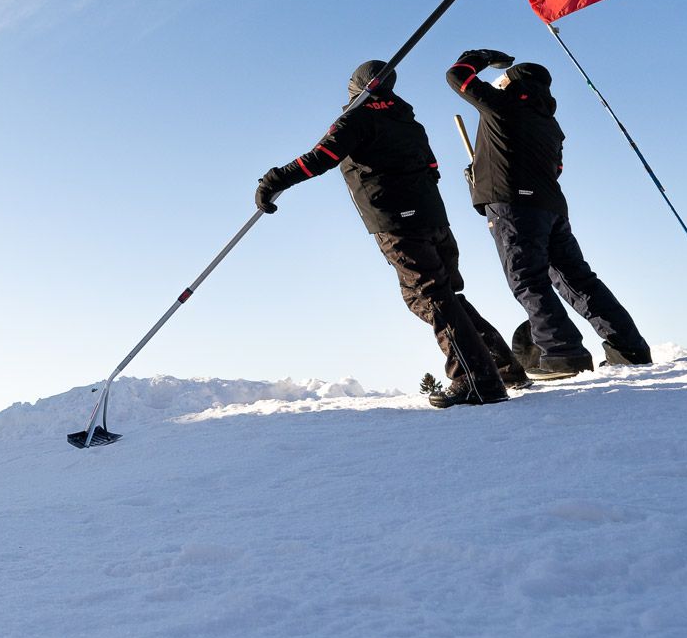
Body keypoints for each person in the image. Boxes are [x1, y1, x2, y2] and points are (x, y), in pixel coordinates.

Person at [256, 60, 524, 408]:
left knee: (430, 297)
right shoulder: (408, 120)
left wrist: (273, 180)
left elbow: (321, 157)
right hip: (433, 217)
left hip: (397, 222)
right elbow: (432, 168)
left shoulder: (357, 119)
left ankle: (477, 380)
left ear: (355, 87)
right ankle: (501, 367)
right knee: (442, 294)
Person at [447, 50, 651, 379]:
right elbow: (553, 168)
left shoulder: (502, 104)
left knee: (528, 280)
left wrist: (481, 57)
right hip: (550, 208)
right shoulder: (550, 124)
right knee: (578, 279)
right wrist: (481, 178)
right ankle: (629, 348)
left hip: (514, 207)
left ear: (510, 83)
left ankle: (562, 353)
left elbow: (458, 76)